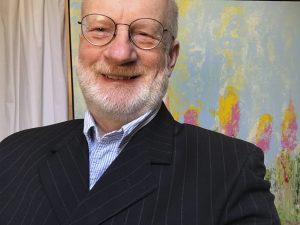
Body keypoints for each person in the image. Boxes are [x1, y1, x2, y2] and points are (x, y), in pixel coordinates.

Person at [0, 0, 281, 224]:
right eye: (100, 30)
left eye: (144, 34)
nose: (120, 53)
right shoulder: (13, 152)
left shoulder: (232, 168)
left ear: (170, 56)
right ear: (81, 45)